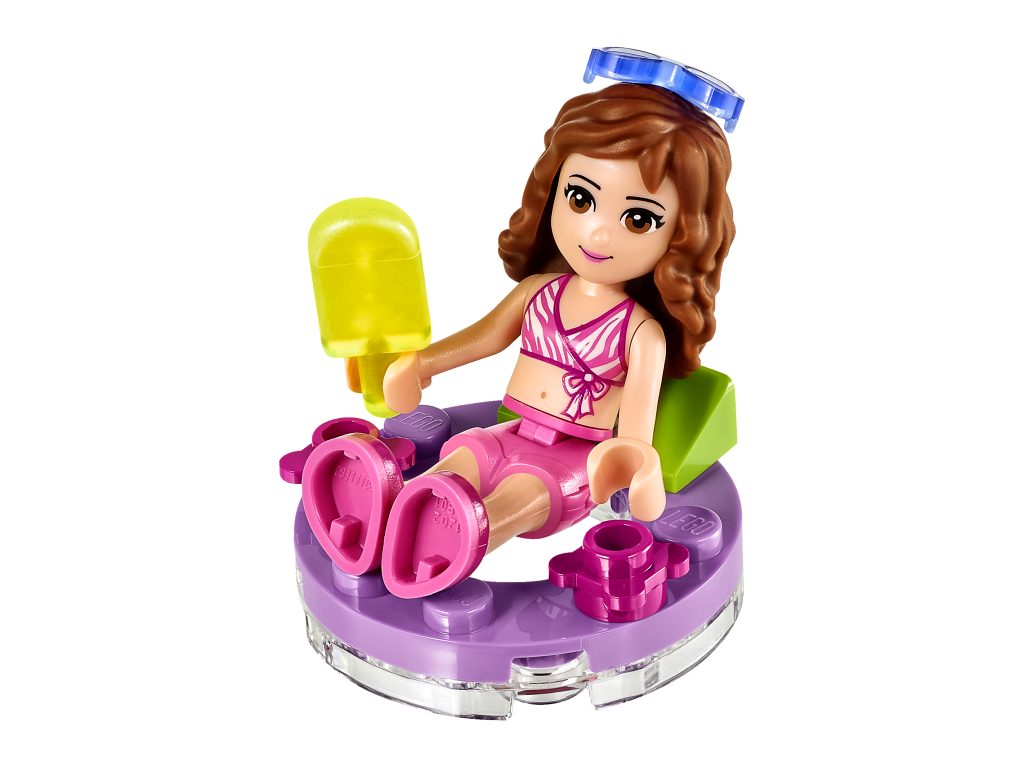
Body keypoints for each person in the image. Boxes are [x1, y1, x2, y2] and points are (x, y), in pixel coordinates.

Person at [351, 83, 735, 598]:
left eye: (639, 219)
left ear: (680, 237)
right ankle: (379, 518)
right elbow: (484, 338)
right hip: (507, 434)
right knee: (453, 470)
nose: (599, 234)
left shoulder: (641, 331)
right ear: (552, 192)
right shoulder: (538, 291)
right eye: (581, 199)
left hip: (572, 464)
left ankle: (445, 554)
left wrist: (638, 469)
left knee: (514, 499)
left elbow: (635, 431)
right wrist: (420, 364)